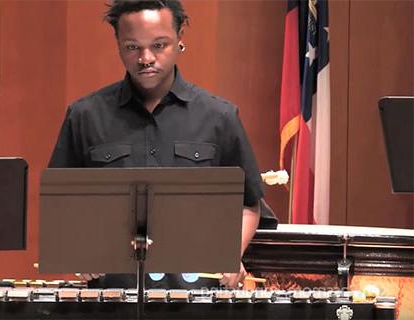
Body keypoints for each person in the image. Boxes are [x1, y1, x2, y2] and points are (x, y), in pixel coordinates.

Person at [49, 0, 264, 289]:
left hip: (196, 295)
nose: (146, 58)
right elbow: (61, 207)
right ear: (118, 45)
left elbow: (248, 203)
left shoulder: (219, 117)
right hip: (113, 295)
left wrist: (230, 253)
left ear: (179, 40)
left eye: (159, 45)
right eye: (132, 47)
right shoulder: (85, 116)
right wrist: (79, 249)